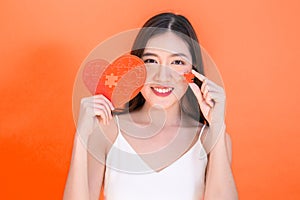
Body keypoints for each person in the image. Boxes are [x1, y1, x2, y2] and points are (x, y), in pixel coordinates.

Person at [64, 12, 238, 200]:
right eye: (151, 61)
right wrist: (81, 139)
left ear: (192, 72)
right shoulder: (107, 129)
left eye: (177, 62)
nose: (162, 77)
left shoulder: (210, 138)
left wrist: (218, 125)